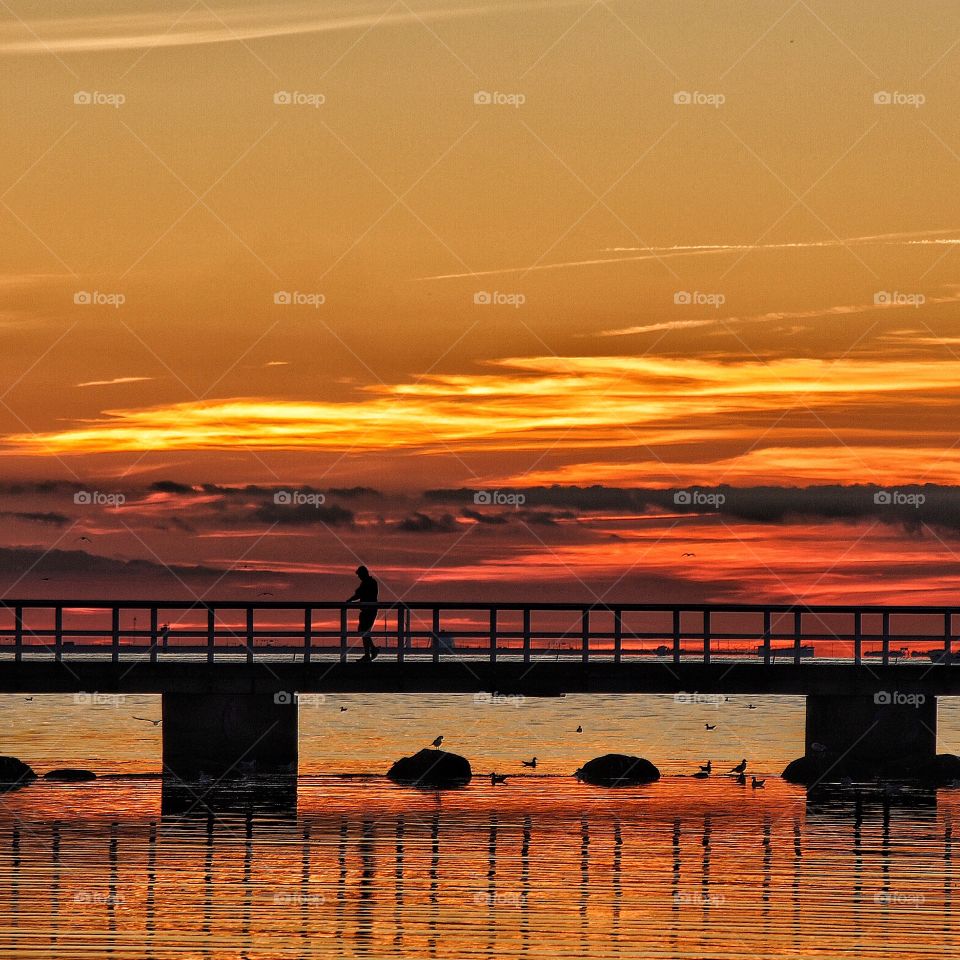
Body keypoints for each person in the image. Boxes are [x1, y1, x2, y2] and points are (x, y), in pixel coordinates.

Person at [346, 565, 379, 661]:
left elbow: (359, 595)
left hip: (368, 611)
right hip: (369, 610)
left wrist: (349, 600)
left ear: (363, 574)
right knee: (364, 631)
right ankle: (370, 651)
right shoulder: (370, 582)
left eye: (359, 575)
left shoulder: (367, 583)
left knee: (363, 631)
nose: (359, 577)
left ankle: (369, 652)